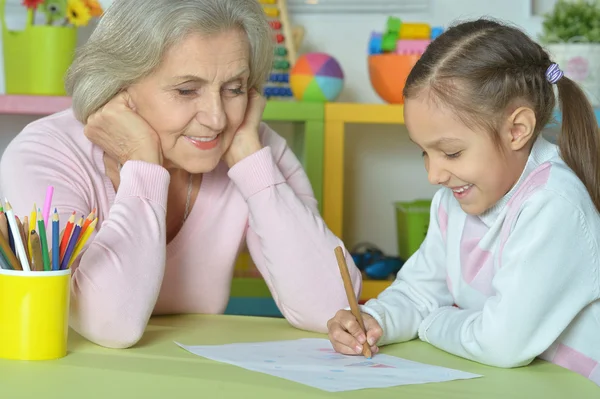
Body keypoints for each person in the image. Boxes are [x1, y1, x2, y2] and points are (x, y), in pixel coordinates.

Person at [0, 0, 361, 349]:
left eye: (234, 88)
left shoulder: (252, 145)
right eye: (187, 90)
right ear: (118, 88)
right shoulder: (44, 154)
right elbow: (110, 324)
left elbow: (335, 306)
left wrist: (252, 163)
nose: (217, 118)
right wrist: (142, 164)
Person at [327, 19, 600, 387]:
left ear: (516, 130)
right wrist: (376, 320)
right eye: (424, 153)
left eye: (451, 153)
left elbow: (501, 342)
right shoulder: (452, 203)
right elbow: (419, 291)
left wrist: (430, 321)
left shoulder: (553, 205)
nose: (434, 174)